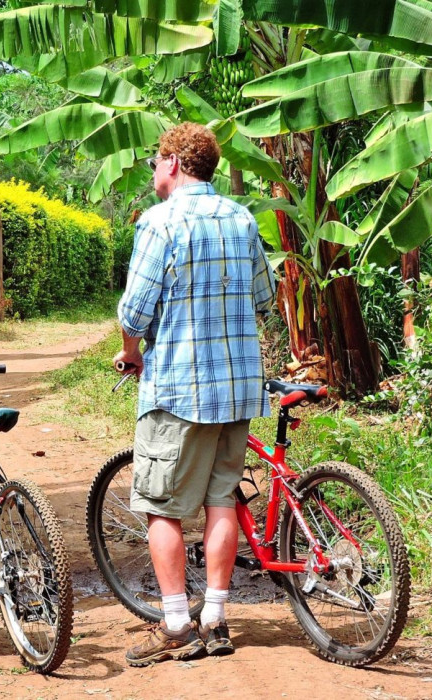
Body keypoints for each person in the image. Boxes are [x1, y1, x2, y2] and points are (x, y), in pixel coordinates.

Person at [114, 123, 276, 666]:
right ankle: (216, 616)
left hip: (179, 389)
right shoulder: (241, 217)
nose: (154, 172)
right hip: (237, 391)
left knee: (162, 507)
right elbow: (263, 296)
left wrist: (132, 351)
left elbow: (134, 313)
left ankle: (178, 623)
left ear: (174, 163)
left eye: (155, 162)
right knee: (220, 500)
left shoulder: (160, 223)